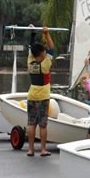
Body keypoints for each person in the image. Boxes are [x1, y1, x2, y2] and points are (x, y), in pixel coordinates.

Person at [26, 26, 54, 157]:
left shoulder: (30, 61)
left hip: (31, 95)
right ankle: (43, 149)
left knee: (31, 123)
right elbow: (53, 49)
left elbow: (31, 47)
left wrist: (32, 33)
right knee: (43, 125)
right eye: (44, 51)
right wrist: (46, 34)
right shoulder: (45, 64)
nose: (45, 52)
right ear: (42, 54)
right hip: (43, 97)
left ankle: (30, 149)